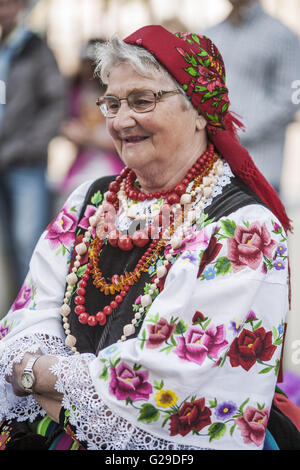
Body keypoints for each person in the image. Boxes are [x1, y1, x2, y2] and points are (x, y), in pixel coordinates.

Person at [0, 24, 299, 451]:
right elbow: (27, 319)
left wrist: (38, 375)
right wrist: (53, 378)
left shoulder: (245, 230)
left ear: (199, 111)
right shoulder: (91, 199)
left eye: (143, 100)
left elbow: (164, 382)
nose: (121, 121)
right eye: (112, 102)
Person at [0, 0, 66, 291]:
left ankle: (32, 310)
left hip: (25, 162)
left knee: (27, 239)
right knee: (6, 245)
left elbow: (55, 103)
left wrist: (29, 146)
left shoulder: (35, 48)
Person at [205, 0, 300, 193]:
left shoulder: (282, 36)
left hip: (260, 168)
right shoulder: (211, 34)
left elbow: (291, 97)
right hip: (212, 170)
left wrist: (235, 131)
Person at [59, 39, 123, 202]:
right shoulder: (74, 91)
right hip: (82, 164)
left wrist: (89, 136)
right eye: (86, 64)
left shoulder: (116, 93)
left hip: (111, 165)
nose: (89, 71)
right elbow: (64, 123)